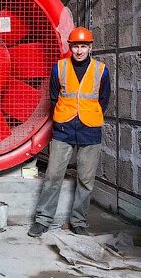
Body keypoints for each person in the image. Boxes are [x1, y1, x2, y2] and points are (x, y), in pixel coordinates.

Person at [28, 26, 111, 237]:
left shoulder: (101, 70)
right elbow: (54, 96)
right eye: (76, 46)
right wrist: (66, 114)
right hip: (64, 127)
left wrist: (88, 113)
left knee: (86, 179)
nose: (80, 51)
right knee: (53, 175)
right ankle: (42, 219)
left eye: (84, 46)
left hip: (90, 128)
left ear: (90, 47)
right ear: (70, 47)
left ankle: (79, 221)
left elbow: (104, 99)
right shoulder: (59, 68)